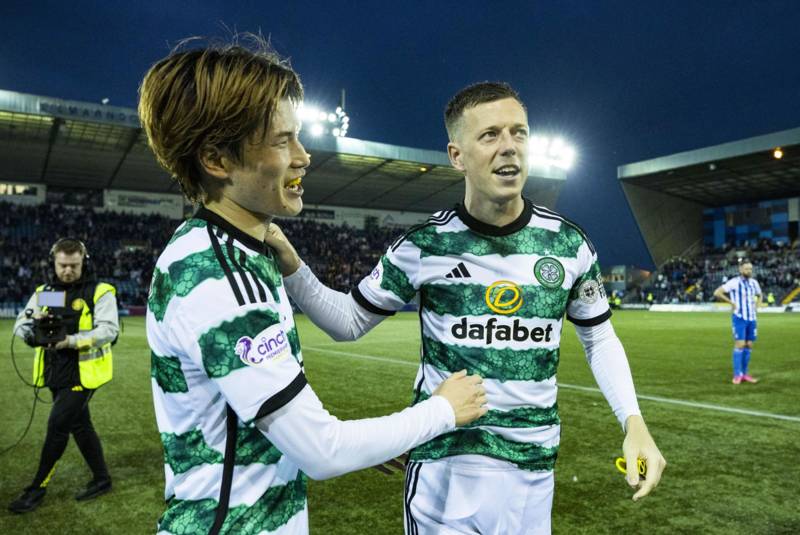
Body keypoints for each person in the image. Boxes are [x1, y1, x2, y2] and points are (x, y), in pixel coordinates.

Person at [265, 81, 667, 534]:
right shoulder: (424, 245)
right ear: (457, 156)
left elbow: (598, 337)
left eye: (518, 132)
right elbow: (348, 322)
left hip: (535, 472)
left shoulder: (568, 244)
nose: (509, 146)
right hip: (446, 470)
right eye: (490, 135)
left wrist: (633, 422)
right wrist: (293, 267)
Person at [137, 36, 487, 535]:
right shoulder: (216, 277)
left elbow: (265, 424)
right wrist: (442, 411)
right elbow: (322, 450)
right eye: (282, 141)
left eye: (298, 137)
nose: (304, 157)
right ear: (217, 160)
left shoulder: (238, 252)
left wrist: (379, 441)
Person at [8, 238, 117, 513]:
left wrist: (70, 341)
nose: (67, 271)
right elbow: (21, 323)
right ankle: (102, 479)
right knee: (80, 425)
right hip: (54, 372)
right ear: (53, 263)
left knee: (57, 426)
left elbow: (108, 330)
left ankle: (36, 489)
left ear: (84, 263)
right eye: (63, 265)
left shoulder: (98, 291)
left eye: (74, 266)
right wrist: (32, 334)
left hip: (83, 375)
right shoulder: (48, 293)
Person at [714, 260, 762, 384]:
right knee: (740, 344)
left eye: (750, 269)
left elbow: (760, 294)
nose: (749, 271)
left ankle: (744, 374)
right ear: (740, 269)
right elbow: (717, 292)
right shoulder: (734, 282)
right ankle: (737, 375)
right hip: (740, 317)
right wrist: (731, 303)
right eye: (746, 269)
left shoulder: (754, 282)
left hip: (752, 318)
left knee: (749, 345)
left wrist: (757, 305)